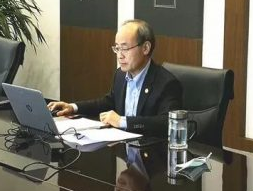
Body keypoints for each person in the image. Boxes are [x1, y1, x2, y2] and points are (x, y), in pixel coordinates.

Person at [48, 19, 182, 135]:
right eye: (117, 48)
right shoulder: (120, 75)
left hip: (150, 152)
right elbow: (109, 102)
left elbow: (167, 122)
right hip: (123, 147)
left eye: (125, 48)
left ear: (145, 48)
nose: (119, 55)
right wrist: (73, 107)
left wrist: (122, 121)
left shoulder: (167, 83)